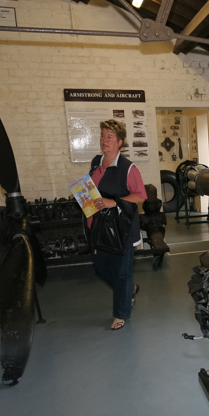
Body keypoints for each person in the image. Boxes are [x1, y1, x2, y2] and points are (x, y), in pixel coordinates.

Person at [86, 119, 146, 330]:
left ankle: (121, 314)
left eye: (110, 137)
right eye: (103, 135)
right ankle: (127, 291)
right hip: (97, 227)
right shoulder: (96, 163)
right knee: (101, 268)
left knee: (121, 273)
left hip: (121, 230)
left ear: (120, 142)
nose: (105, 140)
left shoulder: (128, 168)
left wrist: (114, 202)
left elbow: (140, 196)